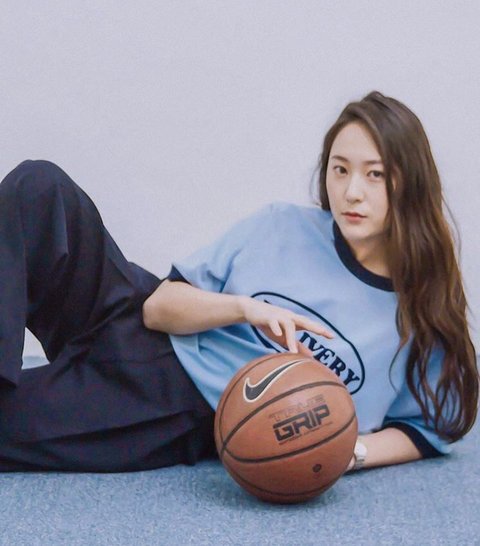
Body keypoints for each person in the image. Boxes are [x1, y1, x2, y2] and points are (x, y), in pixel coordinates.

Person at [0, 91, 477, 473]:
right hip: (137, 318)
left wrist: (349, 452)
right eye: (340, 169)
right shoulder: (282, 225)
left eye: (375, 175)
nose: (352, 192)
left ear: (409, 184)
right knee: (38, 185)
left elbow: (428, 429)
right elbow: (156, 308)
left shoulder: (416, 317)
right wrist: (246, 309)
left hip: (175, 402)